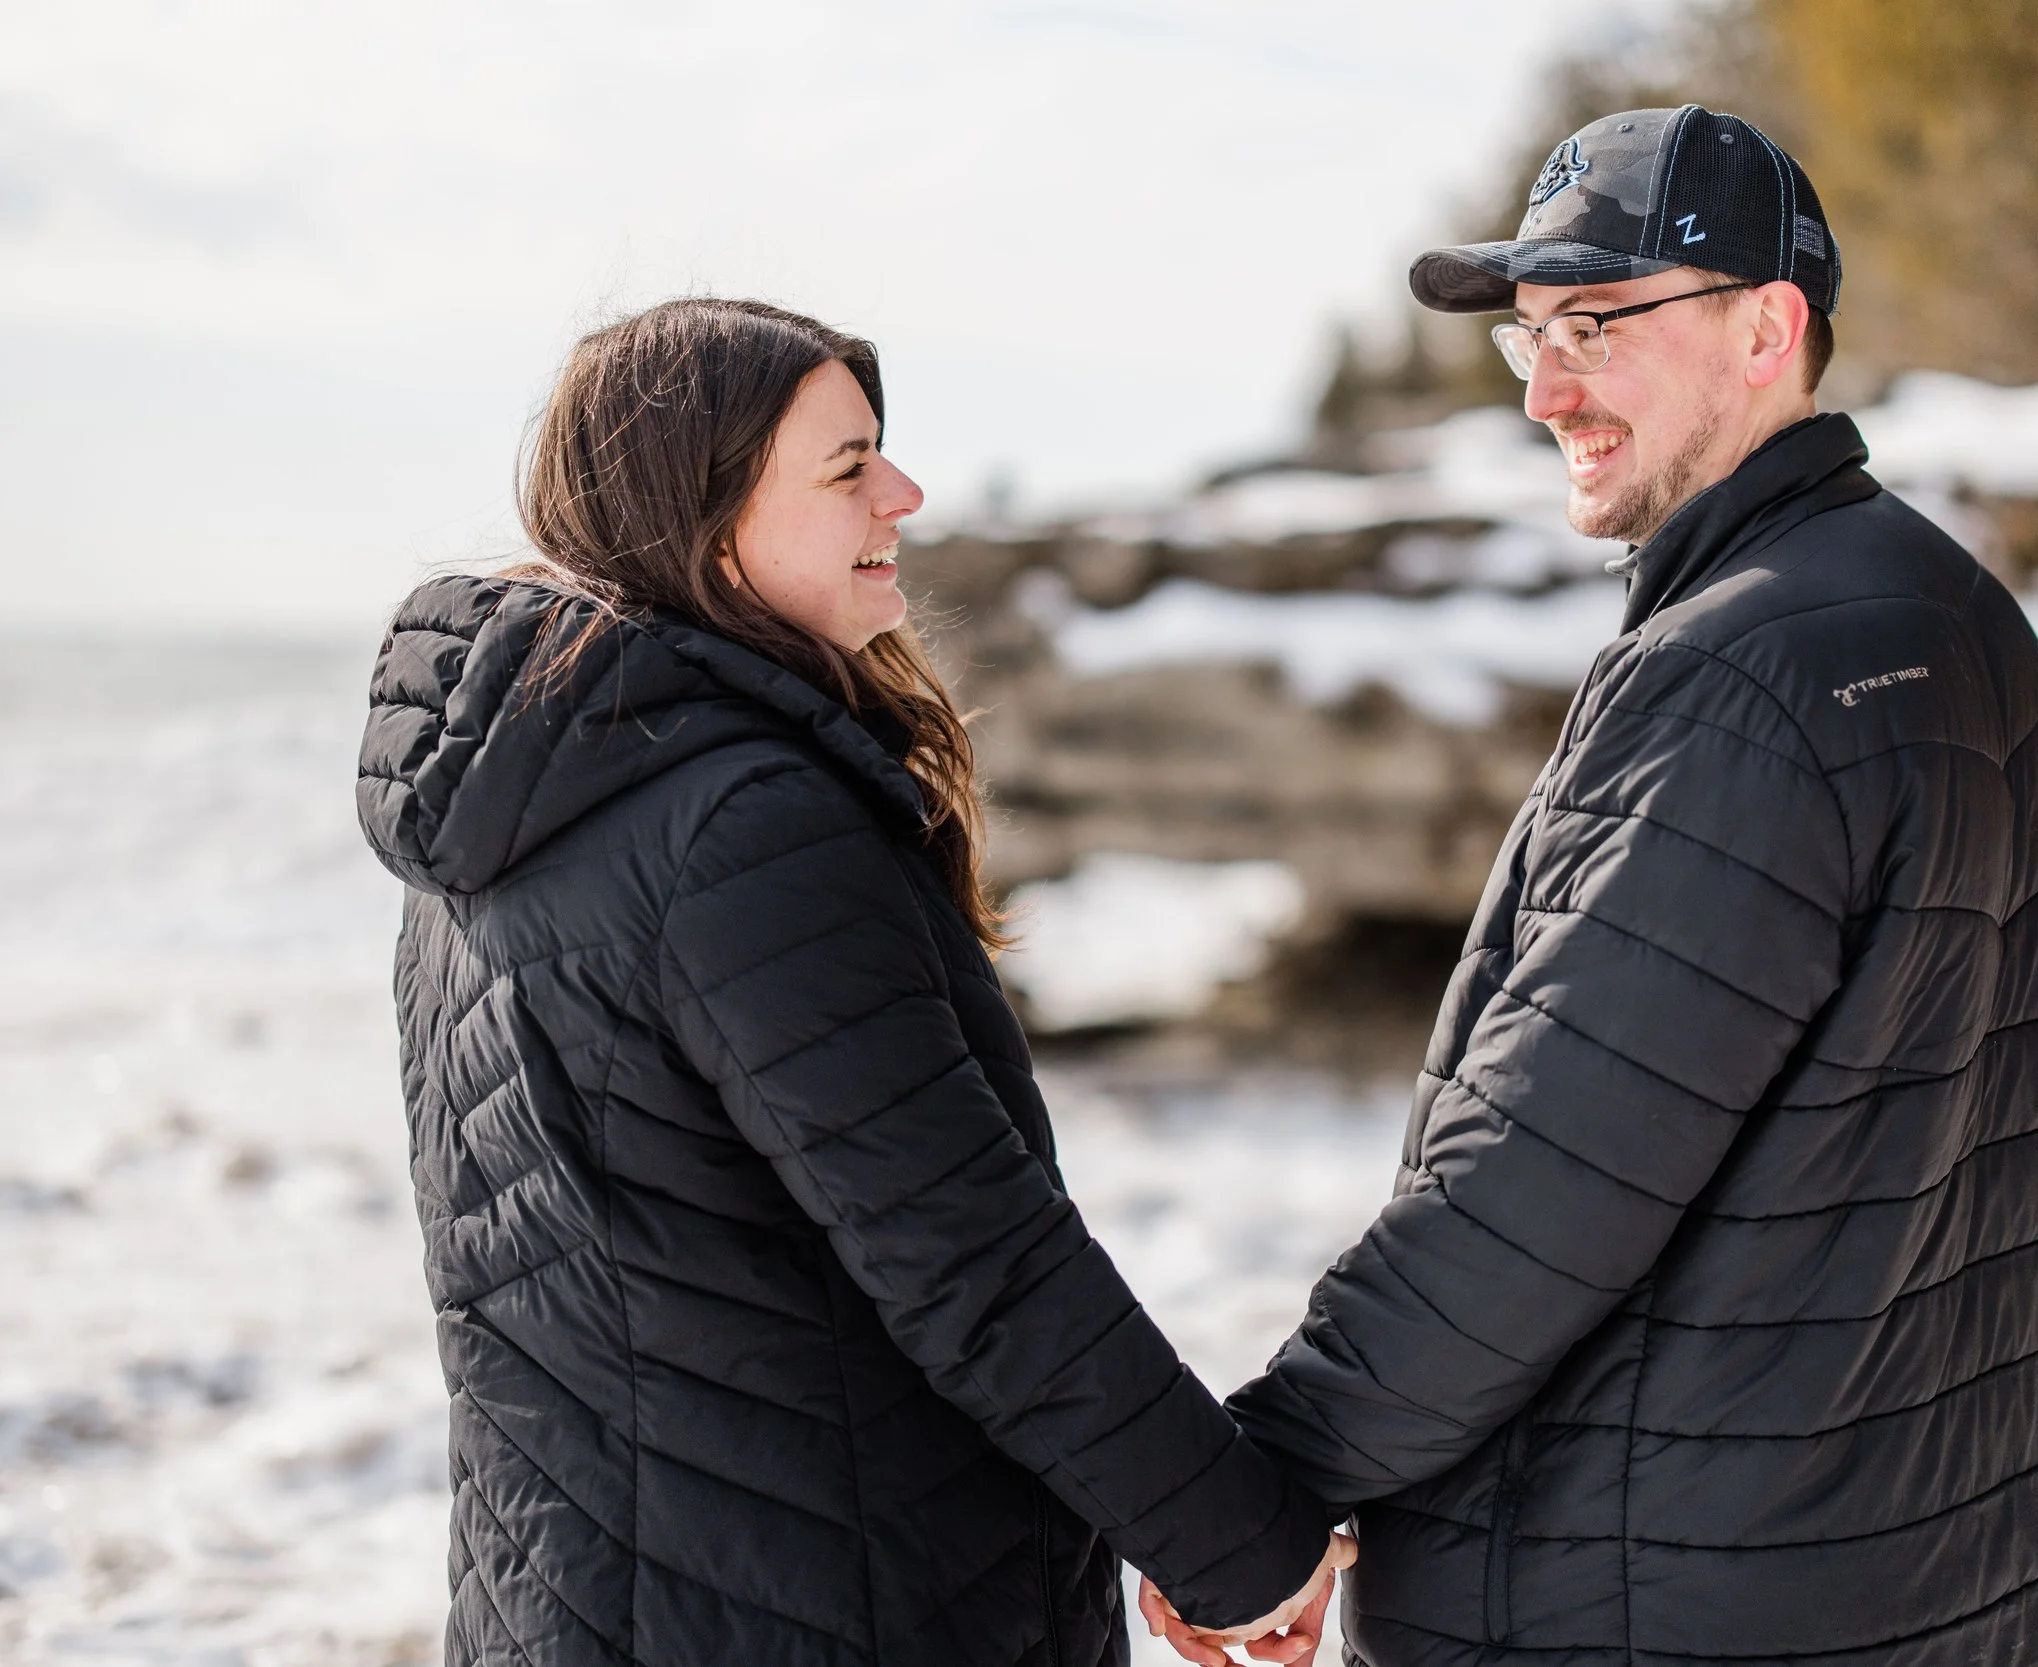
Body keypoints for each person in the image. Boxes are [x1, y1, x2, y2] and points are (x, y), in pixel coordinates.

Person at [1153, 106, 2038, 1667]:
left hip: (1666, 1602)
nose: (1545, 390)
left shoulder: (1747, 671)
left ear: (1766, 330)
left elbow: (1543, 1177)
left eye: (1596, 323)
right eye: (1528, 336)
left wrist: (1277, 1476)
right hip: (1938, 1582)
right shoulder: (1966, 620)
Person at [355, 297, 1352, 1667]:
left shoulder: (493, 823)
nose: (906, 492)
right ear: (706, 521)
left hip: (570, 1601)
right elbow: (974, 1261)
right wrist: (1242, 1545)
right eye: (848, 467)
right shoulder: (736, 826)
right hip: (827, 1605)